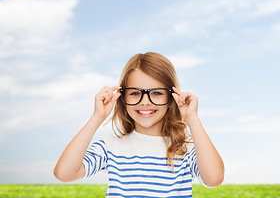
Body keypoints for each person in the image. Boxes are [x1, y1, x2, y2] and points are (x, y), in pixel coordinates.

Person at [53, 52, 224, 197]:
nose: (144, 102)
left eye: (156, 93)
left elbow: (214, 178)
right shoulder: (111, 147)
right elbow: (64, 173)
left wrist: (192, 119)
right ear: (123, 97)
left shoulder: (185, 149)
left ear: (171, 97)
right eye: (135, 93)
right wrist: (97, 117)